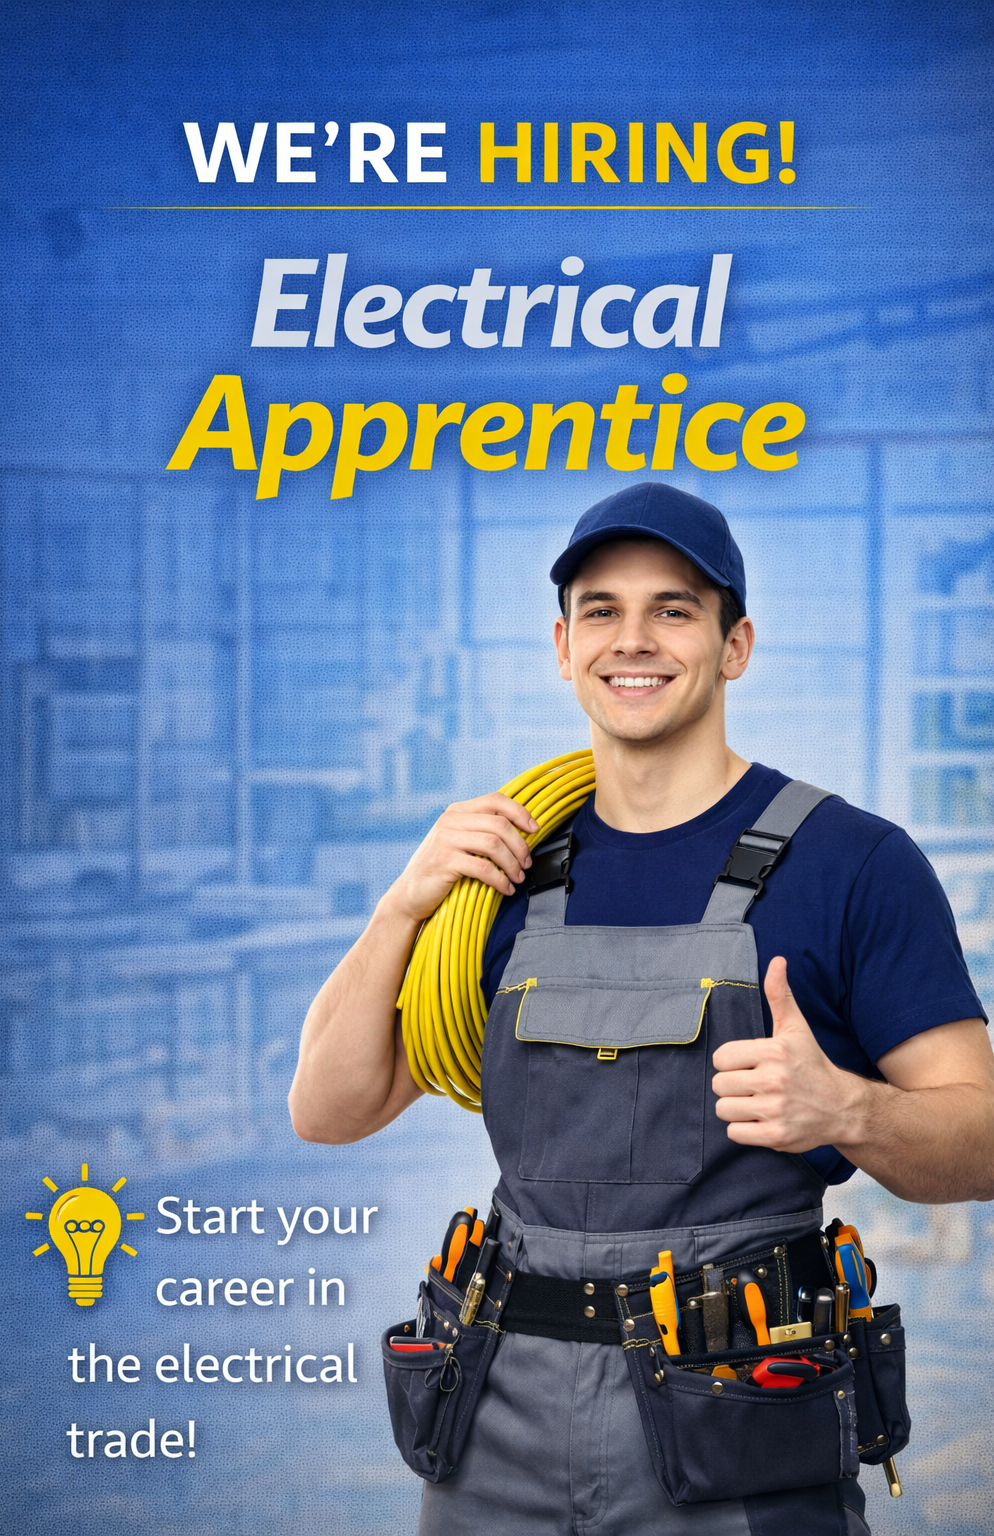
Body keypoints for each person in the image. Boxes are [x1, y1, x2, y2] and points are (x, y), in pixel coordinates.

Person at [289, 482, 994, 1536]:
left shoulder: (852, 864)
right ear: (562, 646)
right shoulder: (501, 871)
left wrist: (847, 1110)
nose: (635, 639)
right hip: (494, 1426)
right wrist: (403, 905)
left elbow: (978, 1141)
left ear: (734, 644)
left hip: (738, 1424)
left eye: (673, 608)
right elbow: (329, 1109)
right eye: (601, 610)